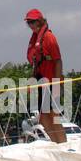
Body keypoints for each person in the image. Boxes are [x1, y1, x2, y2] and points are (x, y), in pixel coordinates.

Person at [25, 9, 65, 143]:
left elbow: (58, 60)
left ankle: (63, 145)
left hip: (52, 81)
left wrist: (57, 82)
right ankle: (56, 144)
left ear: (40, 21)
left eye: (33, 21)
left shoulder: (48, 37)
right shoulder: (36, 38)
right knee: (43, 118)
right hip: (42, 82)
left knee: (54, 117)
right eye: (28, 22)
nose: (30, 25)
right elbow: (36, 64)